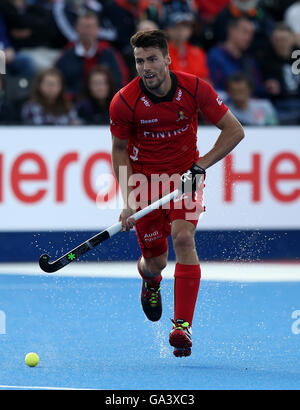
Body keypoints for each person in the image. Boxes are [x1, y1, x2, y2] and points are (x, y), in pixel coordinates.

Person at [109, 30, 244, 357]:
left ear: (168, 59)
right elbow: (118, 150)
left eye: (152, 59)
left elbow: (234, 130)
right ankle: (149, 279)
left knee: (183, 238)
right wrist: (128, 201)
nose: (145, 67)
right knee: (155, 261)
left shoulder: (195, 88)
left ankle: (182, 326)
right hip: (145, 185)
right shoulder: (125, 102)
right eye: (139, 61)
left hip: (185, 179)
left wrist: (200, 166)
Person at [55, 11, 129, 98]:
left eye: (90, 27)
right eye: (84, 27)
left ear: (98, 29)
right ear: (76, 29)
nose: (87, 31)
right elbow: (57, 81)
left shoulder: (109, 53)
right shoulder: (66, 55)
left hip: (106, 103)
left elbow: (121, 80)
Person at [207, 17, 265, 97]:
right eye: (245, 32)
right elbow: (215, 86)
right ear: (231, 30)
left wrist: (268, 88)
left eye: (251, 34)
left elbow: (257, 88)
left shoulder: (249, 60)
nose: (249, 37)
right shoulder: (215, 55)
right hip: (224, 103)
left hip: (250, 105)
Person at [260, 23, 300, 124]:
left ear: (292, 39)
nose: (281, 44)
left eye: (285, 40)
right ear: (272, 41)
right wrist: (267, 87)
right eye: (278, 40)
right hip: (277, 105)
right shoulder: (265, 59)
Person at [163, 1, 210, 81]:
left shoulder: (198, 53)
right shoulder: (161, 53)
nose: (180, 30)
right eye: (176, 25)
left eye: (185, 25)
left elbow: (205, 81)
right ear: (167, 29)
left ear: (191, 29)